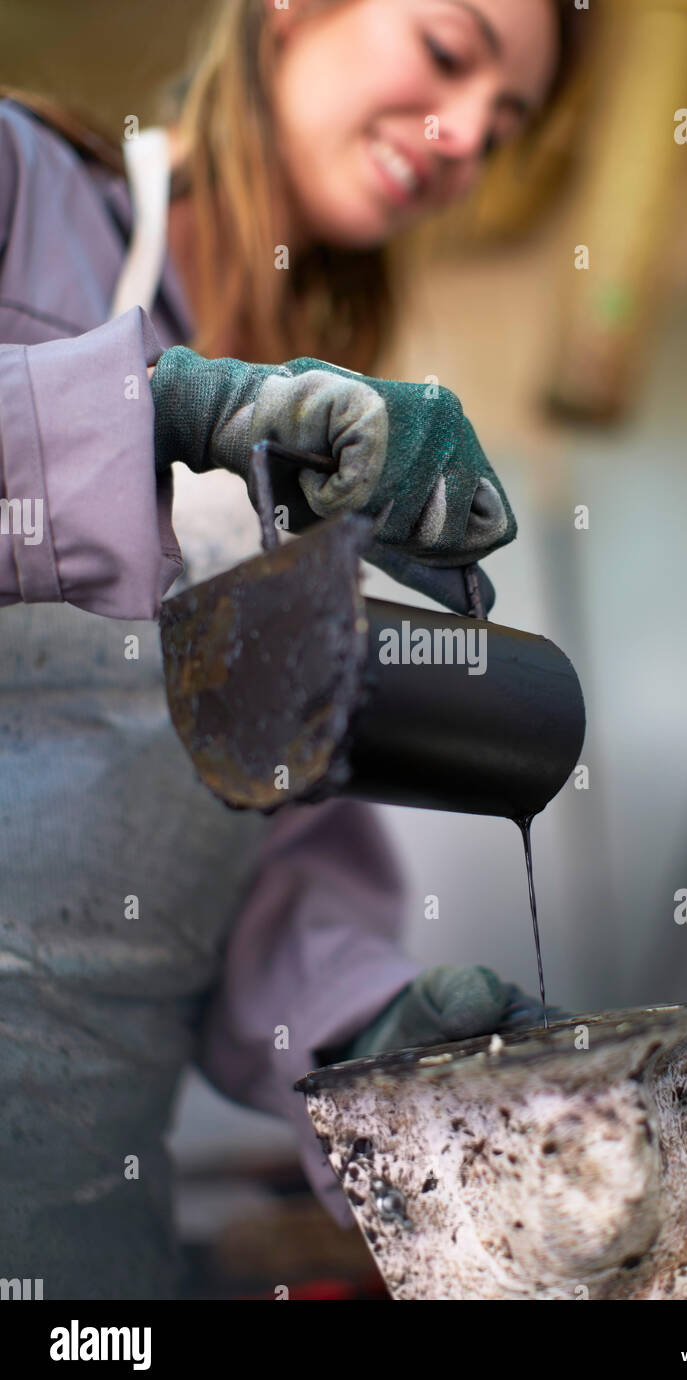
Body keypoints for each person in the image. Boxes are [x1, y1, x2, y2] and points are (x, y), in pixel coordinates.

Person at [0, 0, 579, 1298]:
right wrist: (167, 418)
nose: (463, 135)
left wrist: (370, 1027)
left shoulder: (315, 452)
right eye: (448, 51)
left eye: (504, 124)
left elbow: (258, 856)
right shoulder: (17, 188)